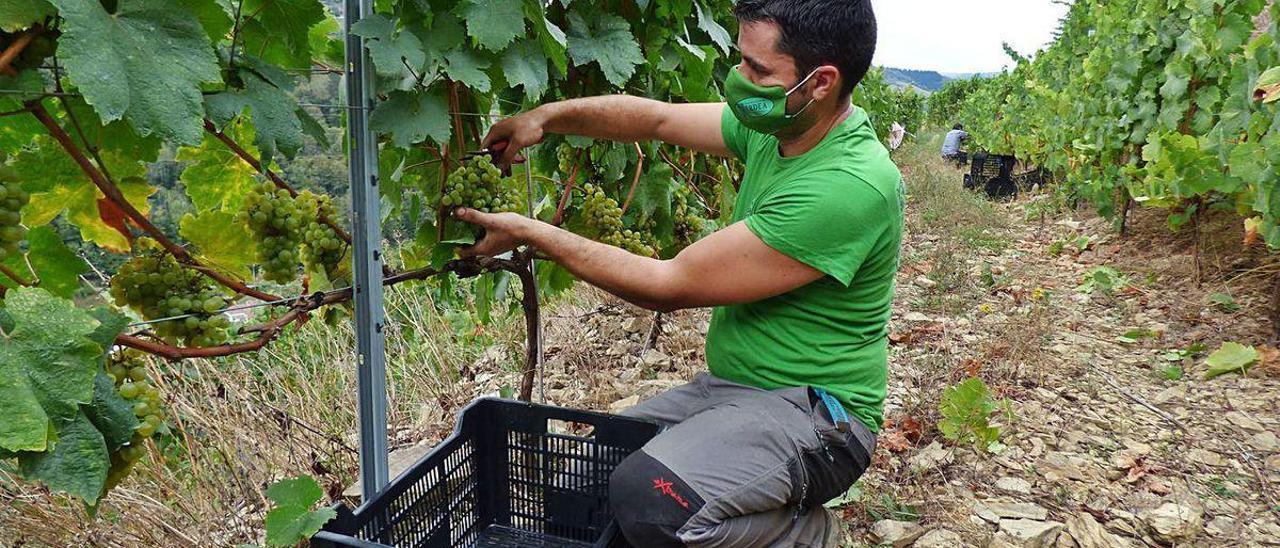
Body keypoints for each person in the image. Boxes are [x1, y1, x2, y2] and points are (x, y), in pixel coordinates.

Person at [458, 0, 901, 545]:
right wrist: (546, 117)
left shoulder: (847, 186)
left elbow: (667, 284)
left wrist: (533, 233)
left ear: (820, 82)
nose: (739, 80)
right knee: (581, 487)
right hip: (732, 390)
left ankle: (802, 534)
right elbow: (656, 118)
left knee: (651, 499)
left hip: (818, 420)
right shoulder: (778, 124)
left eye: (757, 70)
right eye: (742, 60)